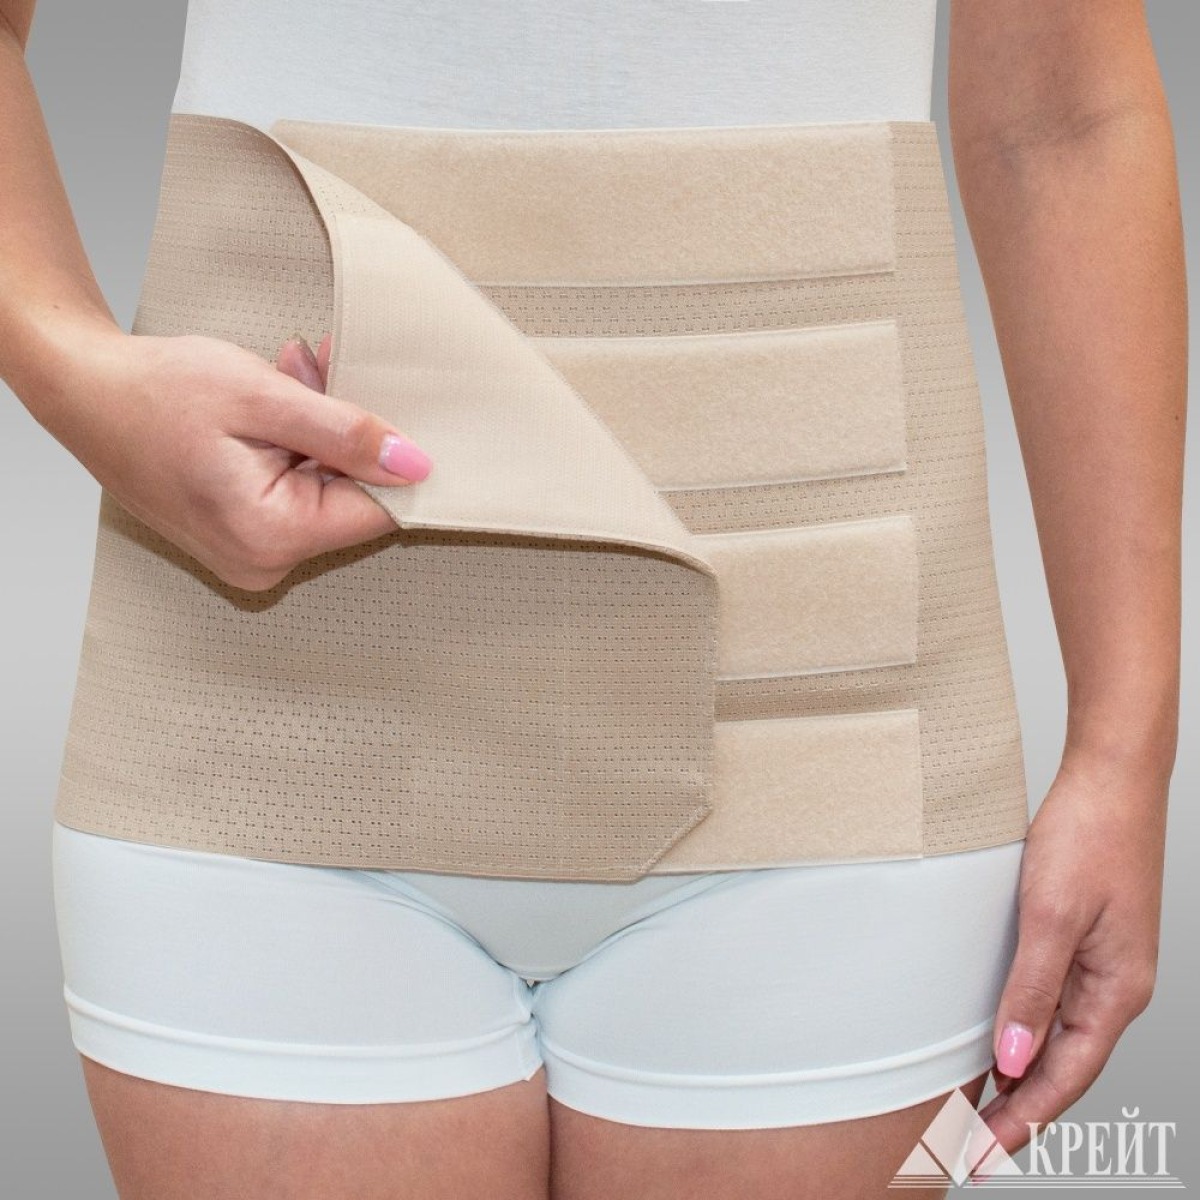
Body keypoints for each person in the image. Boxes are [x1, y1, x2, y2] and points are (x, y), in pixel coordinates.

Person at [0, 1, 1184, 1197]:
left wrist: (1125, 752)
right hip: (264, 687)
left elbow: (1064, 117)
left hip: (837, 724)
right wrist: (75, 369)